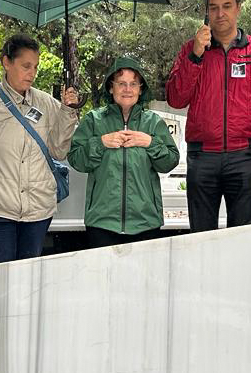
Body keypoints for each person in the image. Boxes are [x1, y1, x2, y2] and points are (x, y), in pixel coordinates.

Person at [166, 0, 251, 232]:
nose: (220, 14)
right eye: (213, 7)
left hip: (245, 156)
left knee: (243, 237)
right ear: (206, 11)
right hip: (202, 156)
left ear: (238, 8)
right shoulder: (191, 49)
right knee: (200, 237)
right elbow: (176, 99)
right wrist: (196, 55)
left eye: (227, 6)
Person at [0, 34, 79, 264]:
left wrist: (68, 112)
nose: (31, 73)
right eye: (25, 66)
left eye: (35, 67)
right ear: (6, 62)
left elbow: (58, 152)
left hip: (38, 209)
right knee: (1, 276)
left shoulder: (45, 102)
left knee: (29, 277)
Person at [68, 56, 180, 248]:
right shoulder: (94, 120)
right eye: (121, 84)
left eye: (133, 84)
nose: (127, 89)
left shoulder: (153, 122)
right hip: (102, 222)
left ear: (140, 89)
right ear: (111, 88)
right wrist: (101, 142)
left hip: (146, 222)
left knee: (144, 278)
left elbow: (170, 162)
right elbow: (76, 160)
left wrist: (150, 142)